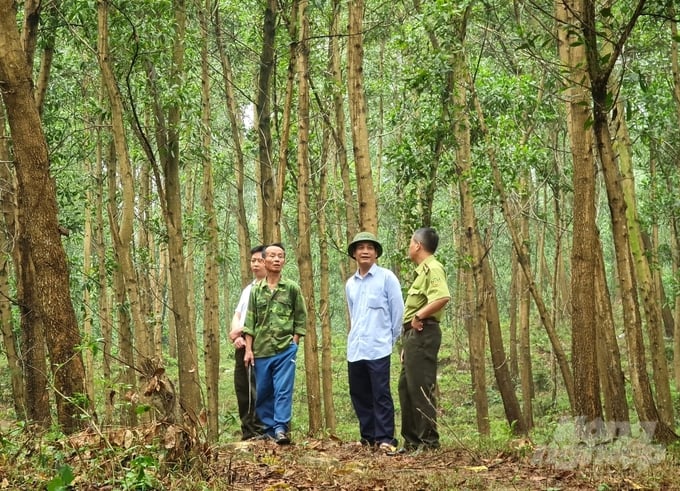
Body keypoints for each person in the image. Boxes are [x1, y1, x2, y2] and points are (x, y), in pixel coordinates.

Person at [345, 231, 404, 453]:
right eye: (360, 248)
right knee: (359, 394)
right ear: (354, 254)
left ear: (376, 253)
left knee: (381, 393)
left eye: (370, 247)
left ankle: (386, 438)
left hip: (378, 345)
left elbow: (398, 310)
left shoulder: (387, 278)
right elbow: (353, 314)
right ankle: (368, 437)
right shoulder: (350, 283)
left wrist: (391, 338)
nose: (365, 251)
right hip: (356, 347)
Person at [243, 243, 307, 445]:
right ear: (264, 260)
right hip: (261, 350)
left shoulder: (291, 288)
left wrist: (294, 342)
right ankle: (269, 429)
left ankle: (281, 428)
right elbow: (250, 322)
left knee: (283, 389)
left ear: (284, 261)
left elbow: (301, 318)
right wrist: (248, 349)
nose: (277, 259)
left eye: (280, 256)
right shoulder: (256, 291)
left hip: (284, 349)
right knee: (263, 391)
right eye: (272, 256)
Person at [396, 227, 450, 453]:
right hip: (413, 335)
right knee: (405, 387)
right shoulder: (421, 271)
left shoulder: (433, 268)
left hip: (423, 331)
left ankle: (428, 443)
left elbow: (442, 296)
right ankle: (411, 442)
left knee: (420, 388)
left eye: (411, 242)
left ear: (417, 245)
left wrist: (419, 316)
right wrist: (407, 340)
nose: (409, 246)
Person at [229, 245, 267, 440]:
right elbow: (237, 314)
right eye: (253, 260)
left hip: (259, 346)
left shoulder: (269, 289)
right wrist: (236, 336)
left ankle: (260, 432)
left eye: (260, 260)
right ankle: (247, 432)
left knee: (258, 390)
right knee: (242, 389)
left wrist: (242, 332)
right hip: (242, 344)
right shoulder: (248, 289)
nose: (256, 264)